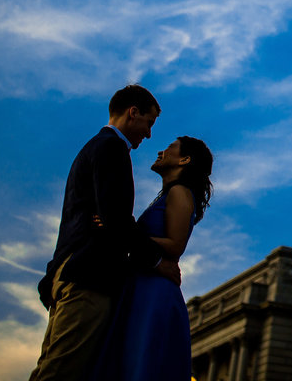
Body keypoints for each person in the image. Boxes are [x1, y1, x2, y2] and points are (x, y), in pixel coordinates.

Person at [30, 84, 180, 381]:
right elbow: (115, 218)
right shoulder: (112, 148)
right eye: (149, 123)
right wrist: (156, 262)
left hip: (69, 271)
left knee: (50, 369)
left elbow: (93, 219)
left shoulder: (92, 147)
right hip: (88, 277)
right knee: (62, 373)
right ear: (132, 113)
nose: (149, 134)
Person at [89, 135, 214, 381]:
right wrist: (126, 231)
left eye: (170, 147)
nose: (161, 151)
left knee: (141, 361)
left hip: (154, 293)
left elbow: (176, 246)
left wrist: (121, 230)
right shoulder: (169, 194)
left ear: (185, 160)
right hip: (141, 285)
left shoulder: (180, 192)